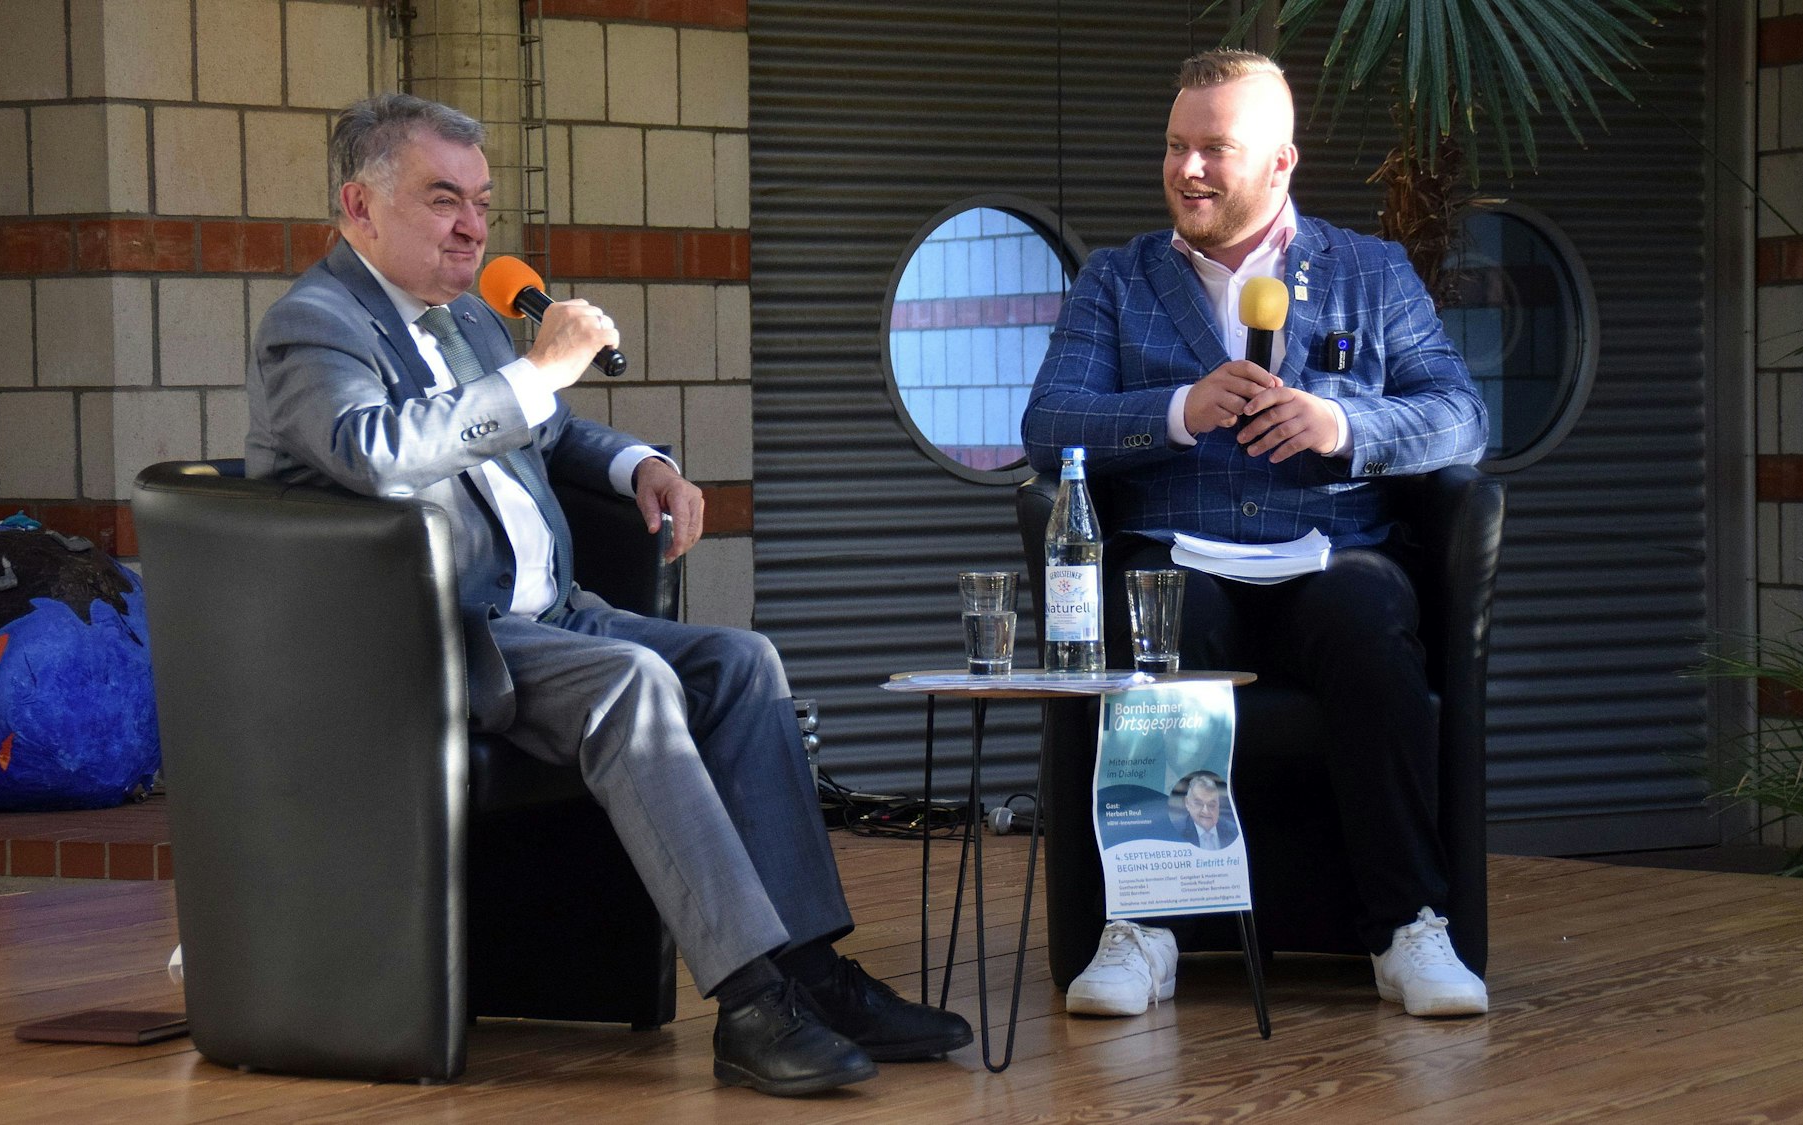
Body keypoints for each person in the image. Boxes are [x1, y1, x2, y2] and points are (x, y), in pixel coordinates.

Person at [245, 92, 970, 1097]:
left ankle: (811, 973)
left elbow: (544, 432)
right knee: (631, 681)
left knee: (738, 660)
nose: (471, 228)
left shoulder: (462, 318)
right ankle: (752, 1002)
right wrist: (537, 372)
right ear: (357, 208)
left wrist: (637, 465)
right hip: (438, 638)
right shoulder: (311, 325)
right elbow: (373, 454)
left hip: (552, 618)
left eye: (483, 204)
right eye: (442, 199)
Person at [1023, 50, 1490, 1021]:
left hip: (1331, 555)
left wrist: (1345, 427)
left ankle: (1407, 928)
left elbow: (1459, 417)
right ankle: (1143, 930)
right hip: (1179, 554)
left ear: (1279, 162)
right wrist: (1178, 409)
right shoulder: (1116, 280)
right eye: (1173, 147)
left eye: (1213, 150)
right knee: (1164, 623)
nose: (1185, 170)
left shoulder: (1371, 270)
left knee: (1369, 616)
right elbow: (1047, 424)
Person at [1169, 770, 1237, 850]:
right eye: (1199, 804)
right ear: (1187, 803)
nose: (1206, 811)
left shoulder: (1234, 831)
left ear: (1218, 804)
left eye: (1211, 805)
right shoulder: (1175, 832)